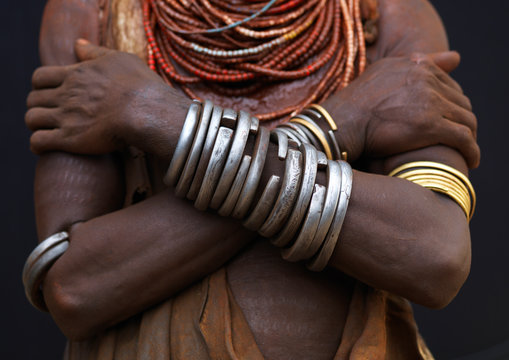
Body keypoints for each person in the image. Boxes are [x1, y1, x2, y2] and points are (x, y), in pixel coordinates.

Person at [24, 0, 479, 358]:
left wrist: (154, 114)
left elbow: (435, 255)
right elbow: (73, 287)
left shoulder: (386, 15)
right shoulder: (95, 12)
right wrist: (337, 123)